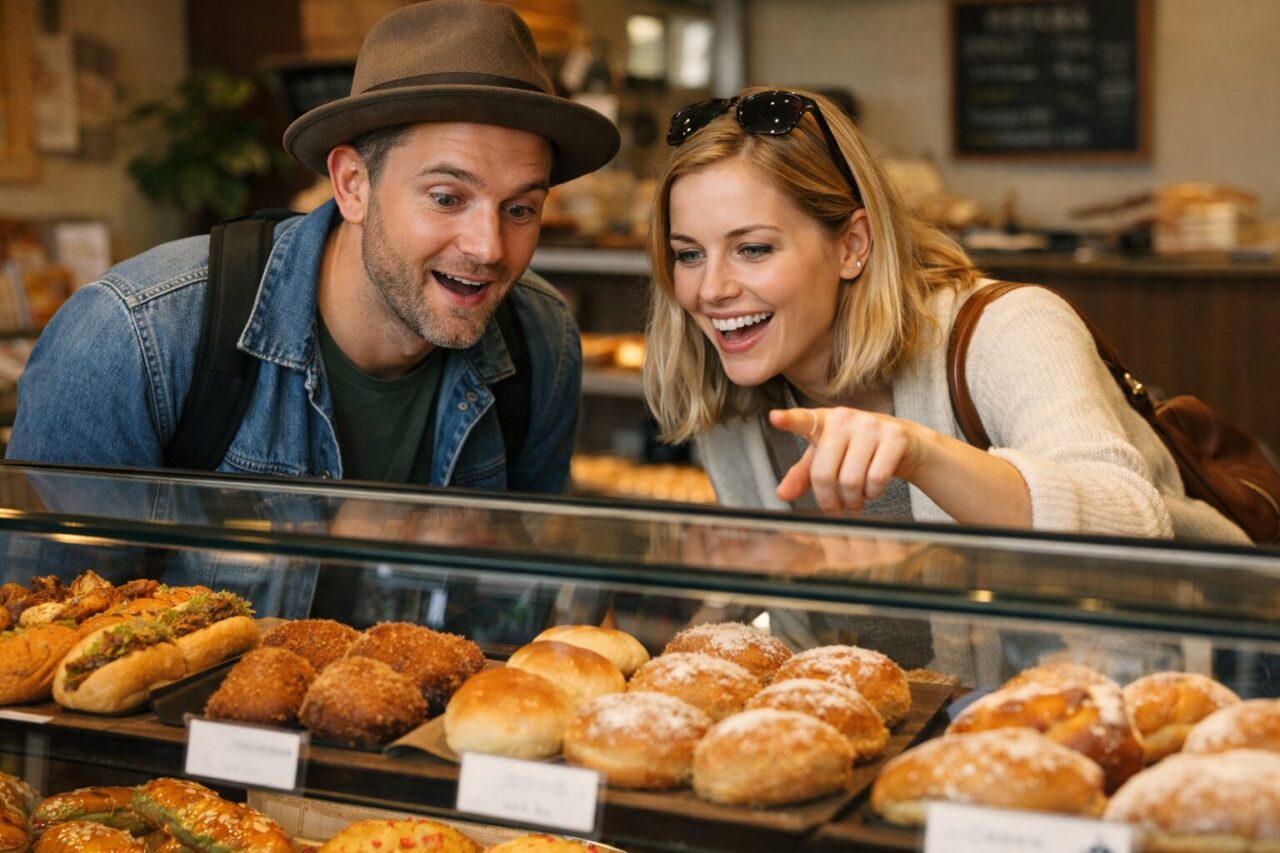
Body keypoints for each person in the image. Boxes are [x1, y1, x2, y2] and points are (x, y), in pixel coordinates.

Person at [7, 0, 620, 496]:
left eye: (520, 209)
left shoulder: (540, 337)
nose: (488, 248)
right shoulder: (133, 337)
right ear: (353, 185)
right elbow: (47, 624)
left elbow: (526, 604)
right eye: (446, 197)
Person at [643, 86, 1248, 544]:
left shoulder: (1012, 330)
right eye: (688, 254)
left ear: (853, 245)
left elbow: (1130, 521)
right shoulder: (724, 391)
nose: (710, 290)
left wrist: (922, 455)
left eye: (753, 249)